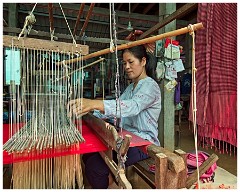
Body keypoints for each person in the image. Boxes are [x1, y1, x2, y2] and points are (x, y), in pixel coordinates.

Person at [67, 45, 161, 189]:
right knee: (88, 156)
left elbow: (131, 107)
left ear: (143, 61)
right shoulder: (131, 87)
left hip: (143, 143)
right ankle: (110, 183)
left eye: (131, 62)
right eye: (124, 63)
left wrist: (95, 104)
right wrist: (91, 113)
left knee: (95, 167)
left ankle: (109, 186)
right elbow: (118, 109)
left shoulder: (150, 86)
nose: (127, 67)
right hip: (126, 138)